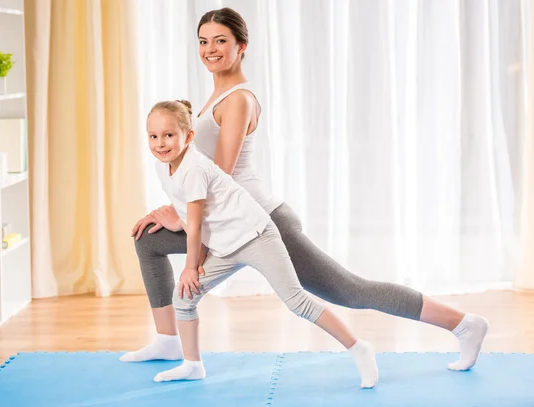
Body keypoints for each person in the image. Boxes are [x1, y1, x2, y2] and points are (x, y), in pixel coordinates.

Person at [122, 7, 489, 373]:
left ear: (241, 46)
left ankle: (463, 324)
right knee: (148, 241)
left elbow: (222, 174)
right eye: (204, 41)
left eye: (221, 41)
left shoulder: (237, 99)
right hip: (224, 218)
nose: (210, 49)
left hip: (259, 219)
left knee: (349, 291)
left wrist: (180, 213)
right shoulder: (216, 98)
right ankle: (170, 341)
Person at [143, 99, 379, 387]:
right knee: (184, 298)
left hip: (255, 235)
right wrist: (176, 223)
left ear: (188, 137)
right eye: (153, 136)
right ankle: (192, 365)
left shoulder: (194, 167)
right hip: (225, 245)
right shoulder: (162, 167)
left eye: (169, 135)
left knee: (297, 301)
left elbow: (195, 225)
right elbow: (192, 214)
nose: (160, 143)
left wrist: (191, 267)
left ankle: (359, 348)